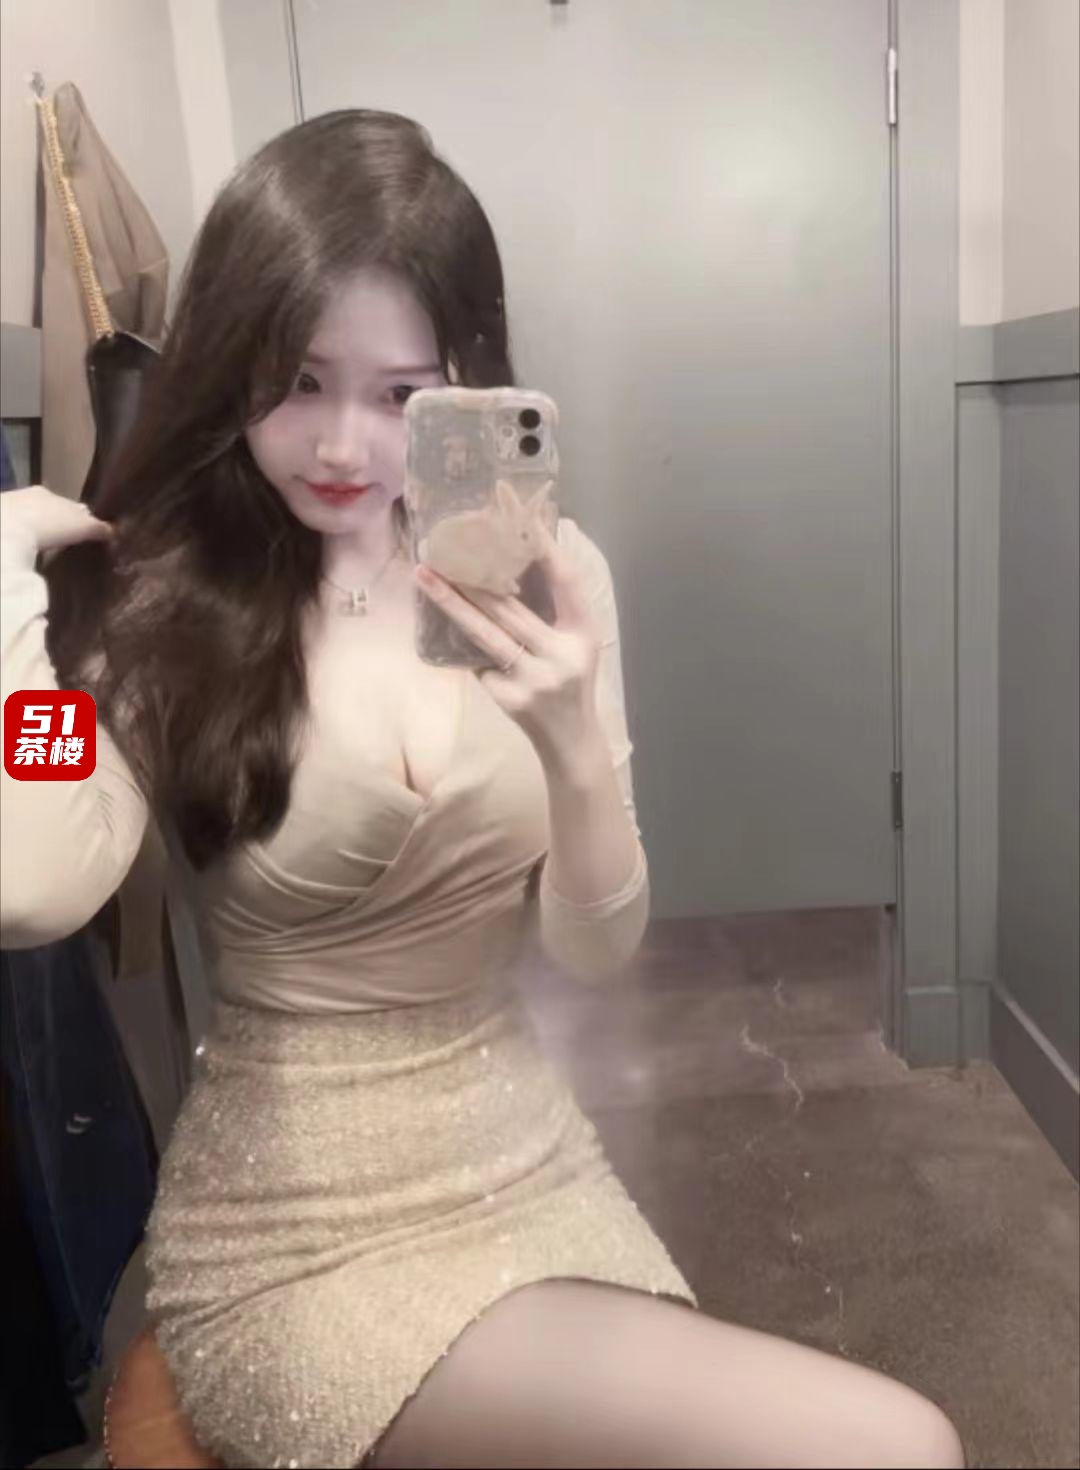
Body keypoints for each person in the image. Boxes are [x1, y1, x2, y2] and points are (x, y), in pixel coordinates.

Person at [0, 110, 966, 1470]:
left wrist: (572, 737)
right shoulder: (158, 603)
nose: (345, 445)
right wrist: (13, 617)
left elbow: (595, 946)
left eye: (402, 394)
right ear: (230, 369)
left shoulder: (547, 578)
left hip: (524, 1156)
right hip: (293, 1234)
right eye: (298, 382)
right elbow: (35, 886)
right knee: (894, 1445)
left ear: (467, 381)